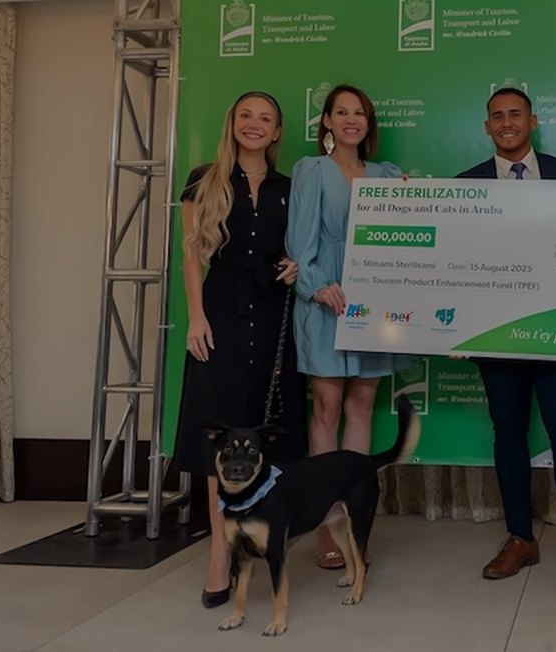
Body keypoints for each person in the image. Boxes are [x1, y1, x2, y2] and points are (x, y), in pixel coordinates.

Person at [454, 87, 556, 595]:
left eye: (516, 114)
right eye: (498, 116)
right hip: (497, 336)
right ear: (487, 126)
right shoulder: (465, 186)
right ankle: (520, 538)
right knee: (508, 435)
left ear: (532, 121)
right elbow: (452, 264)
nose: (507, 123)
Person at [170, 91, 305, 609]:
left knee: (267, 427)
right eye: (246, 115)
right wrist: (196, 317)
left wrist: (293, 266)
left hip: (273, 315)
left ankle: (266, 539)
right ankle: (220, 557)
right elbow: (191, 255)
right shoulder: (203, 179)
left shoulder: (290, 189)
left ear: (276, 134)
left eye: (265, 118)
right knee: (218, 432)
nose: (254, 124)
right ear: (233, 124)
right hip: (219, 315)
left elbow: (298, 248)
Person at [286, 83, 409, 569]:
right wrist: (316, 286)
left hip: (376, 303)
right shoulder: (312, 169)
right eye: (342, 112)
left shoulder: (388, 175)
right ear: (327, 122)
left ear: (368, 123)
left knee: (361, 403)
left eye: (360, 112)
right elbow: (300, 241)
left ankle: (354, 525)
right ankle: (324, 530)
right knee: (327, 404)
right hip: (327, 299)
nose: (351, 119)